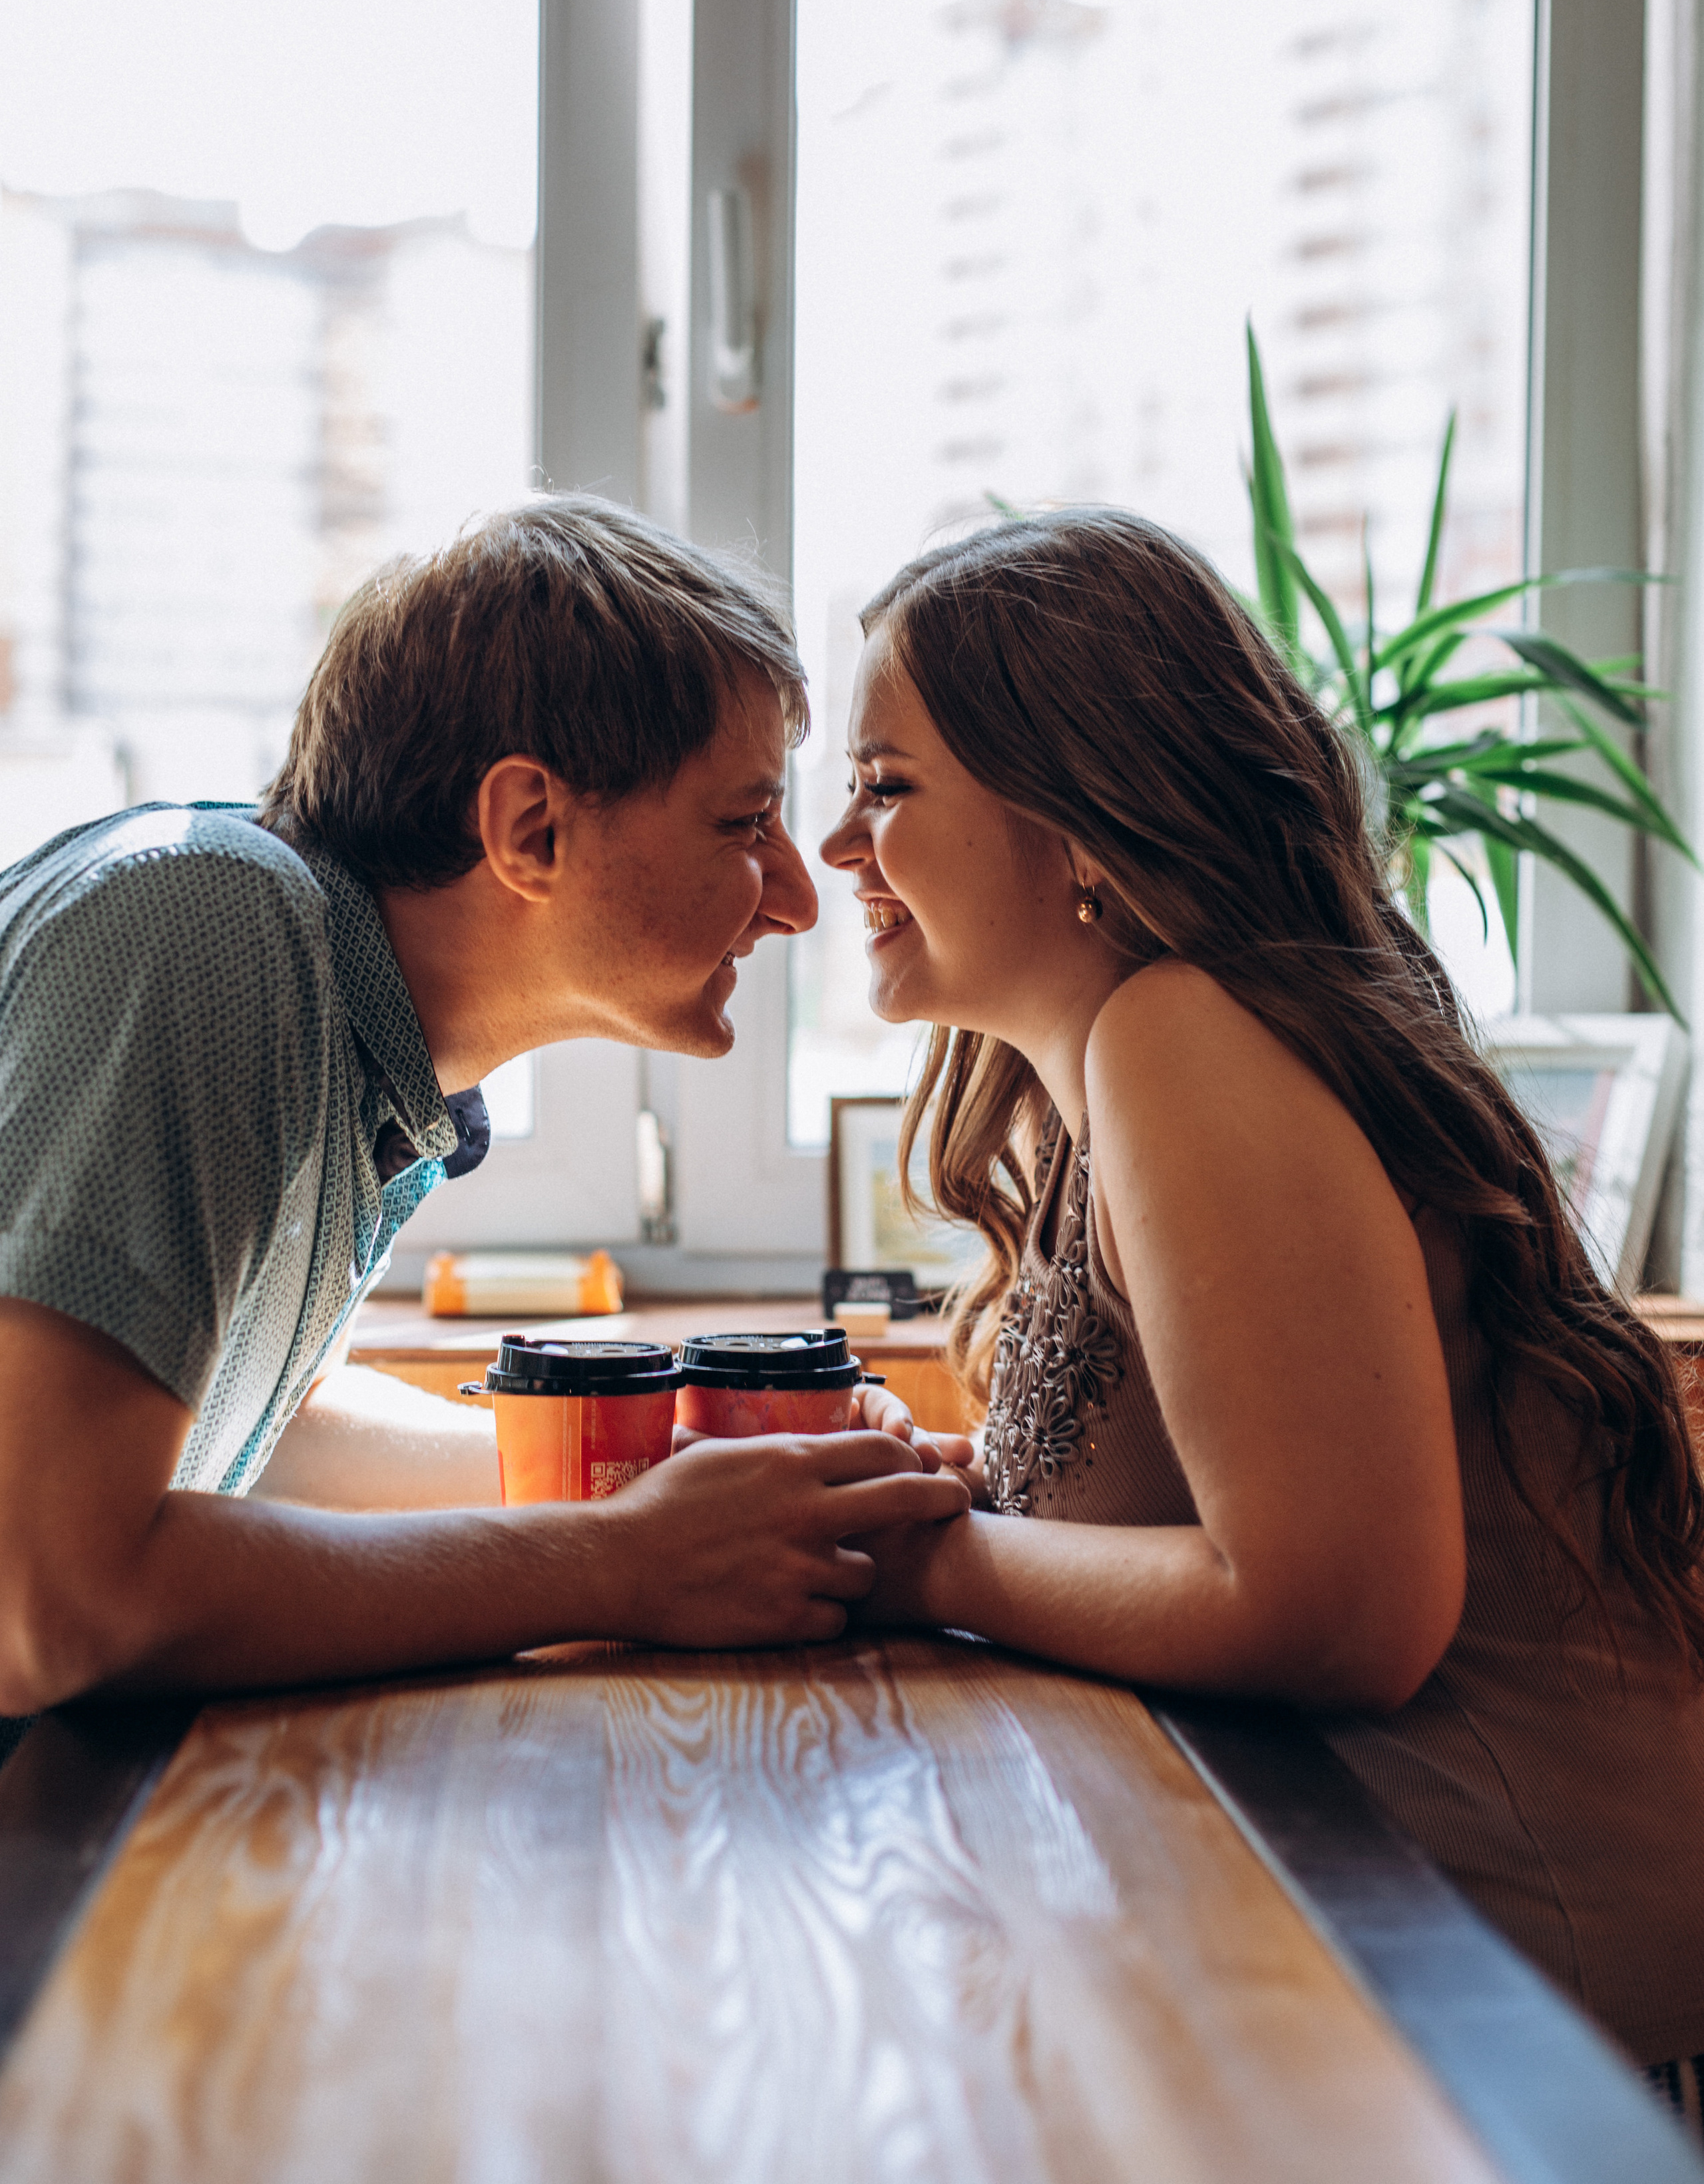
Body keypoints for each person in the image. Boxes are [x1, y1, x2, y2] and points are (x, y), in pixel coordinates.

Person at [822, 507, 1704, 2090]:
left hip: (1509, 2018)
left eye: (885, 789)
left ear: (1079, 814)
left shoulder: (1182, 1040)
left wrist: (923, 1562)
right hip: (1337, 1940)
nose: (837, 848)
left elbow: (1335, 1614)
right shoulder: (1106, 1080)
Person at [0, 498, 968, 1743]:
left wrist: (663, 1480)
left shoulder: (342, 1026)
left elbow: (250, 1432)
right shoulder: (210, 930)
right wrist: (621, 1563)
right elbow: (46, 1596)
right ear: (530, 828)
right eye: (743, 822)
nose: (794, 897)